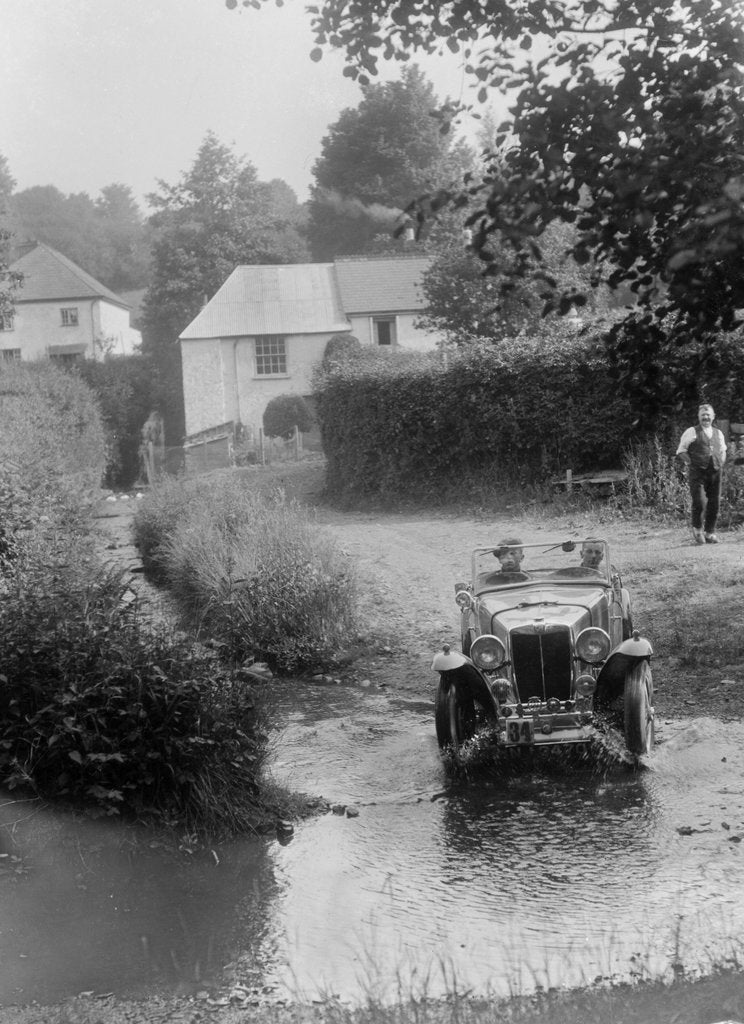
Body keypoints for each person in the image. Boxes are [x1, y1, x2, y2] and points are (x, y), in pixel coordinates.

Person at [675, 403, 727, 544]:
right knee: (700, 502)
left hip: (715, 473)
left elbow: (723, 450)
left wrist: (720, 462)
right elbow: (681, 451)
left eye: (708, 415)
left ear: (713, 417)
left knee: (714, 503)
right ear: (698, 416)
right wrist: (691, 463)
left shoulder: (718, 433)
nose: (705, 417)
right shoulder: (691, 431)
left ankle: (710, 532)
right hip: (698, 473)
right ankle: (698, 530)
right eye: (703, 415)